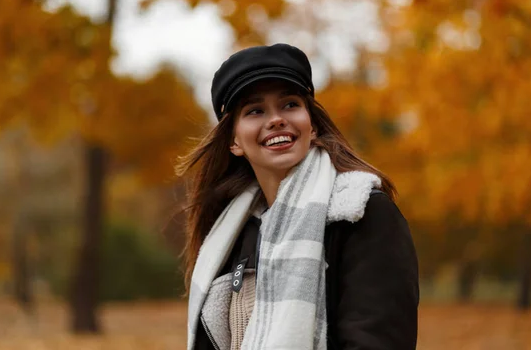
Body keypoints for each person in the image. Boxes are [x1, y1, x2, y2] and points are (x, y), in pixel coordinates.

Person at [176, 43, 419, 350]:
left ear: (313, 125)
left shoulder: (362, 213)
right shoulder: (231, 235)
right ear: (234, 141)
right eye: (255, 111)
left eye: (290, 105)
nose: (276, 119)